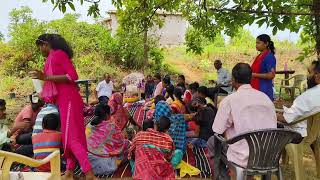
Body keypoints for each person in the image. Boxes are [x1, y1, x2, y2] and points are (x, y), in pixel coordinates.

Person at [30, 34, 95, 179]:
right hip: (65, 100)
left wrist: (45, 78)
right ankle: (69, 172)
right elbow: (54, 82)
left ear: (46, 44)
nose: (40, 49)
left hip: (69, 100)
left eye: (40, 46)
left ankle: (88, 172)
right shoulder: (50, 59)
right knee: (71, 137)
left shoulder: (58, 55)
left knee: (71, 138)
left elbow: (73, 75)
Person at [209, 63, 277, 170]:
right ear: (250, 78)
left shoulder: (229, 100)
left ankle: (229, 176)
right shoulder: (266, 98)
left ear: (233, 80)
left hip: (242, 158)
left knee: (211, 142)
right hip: (268, 157)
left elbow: (217, 129)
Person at [277, 60, 320, 137]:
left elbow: (286, 119)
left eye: (310, 72)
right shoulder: (310, 95)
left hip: (299, 134)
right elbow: (305, 109)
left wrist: (272, 114)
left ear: (317, 75)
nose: (307, 76)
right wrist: (286, 106)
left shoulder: (307, 96)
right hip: (315, 134)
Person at [86, 103, 129, 176]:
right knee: (127, 145)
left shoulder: (89, 125)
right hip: (104, 166)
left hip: (86, 164)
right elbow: (121, 142)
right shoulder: (111, 126)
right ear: (106, 115)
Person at [251, 34, 277, 101]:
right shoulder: (259, 56)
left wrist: (254, 75)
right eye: (256, 43)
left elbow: (271, 75)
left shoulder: (269, 57)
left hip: (264, 90)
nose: (256, 45)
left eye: (258, 43)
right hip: (256, 88)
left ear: (266, 44)